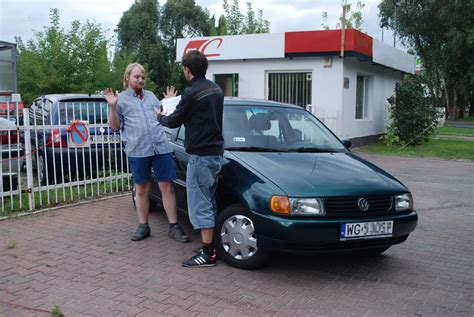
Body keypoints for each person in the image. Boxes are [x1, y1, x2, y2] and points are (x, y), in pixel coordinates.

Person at [103, 63, 189, 243]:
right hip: (138, 150)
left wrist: (169, 103)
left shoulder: (151, 96)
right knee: (142, 188)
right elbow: (115, 127)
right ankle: (143, 226)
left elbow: (163, 116)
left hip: (161, 147)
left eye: (142, 77)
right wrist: (112, 107)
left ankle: (174, 226)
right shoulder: (120, 100)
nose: (140, 80)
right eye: (136, 77)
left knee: (167, 186)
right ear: (127, 77)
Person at [156, 50, 224, 268]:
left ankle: (207, 254)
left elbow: (174, 121)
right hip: (215, 153)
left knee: (200, 203)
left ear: (187, 69)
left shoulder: (192, 92)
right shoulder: (216, 89)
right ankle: (210, 247)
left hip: (200, 155)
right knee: (209, 200)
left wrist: (160, 115)